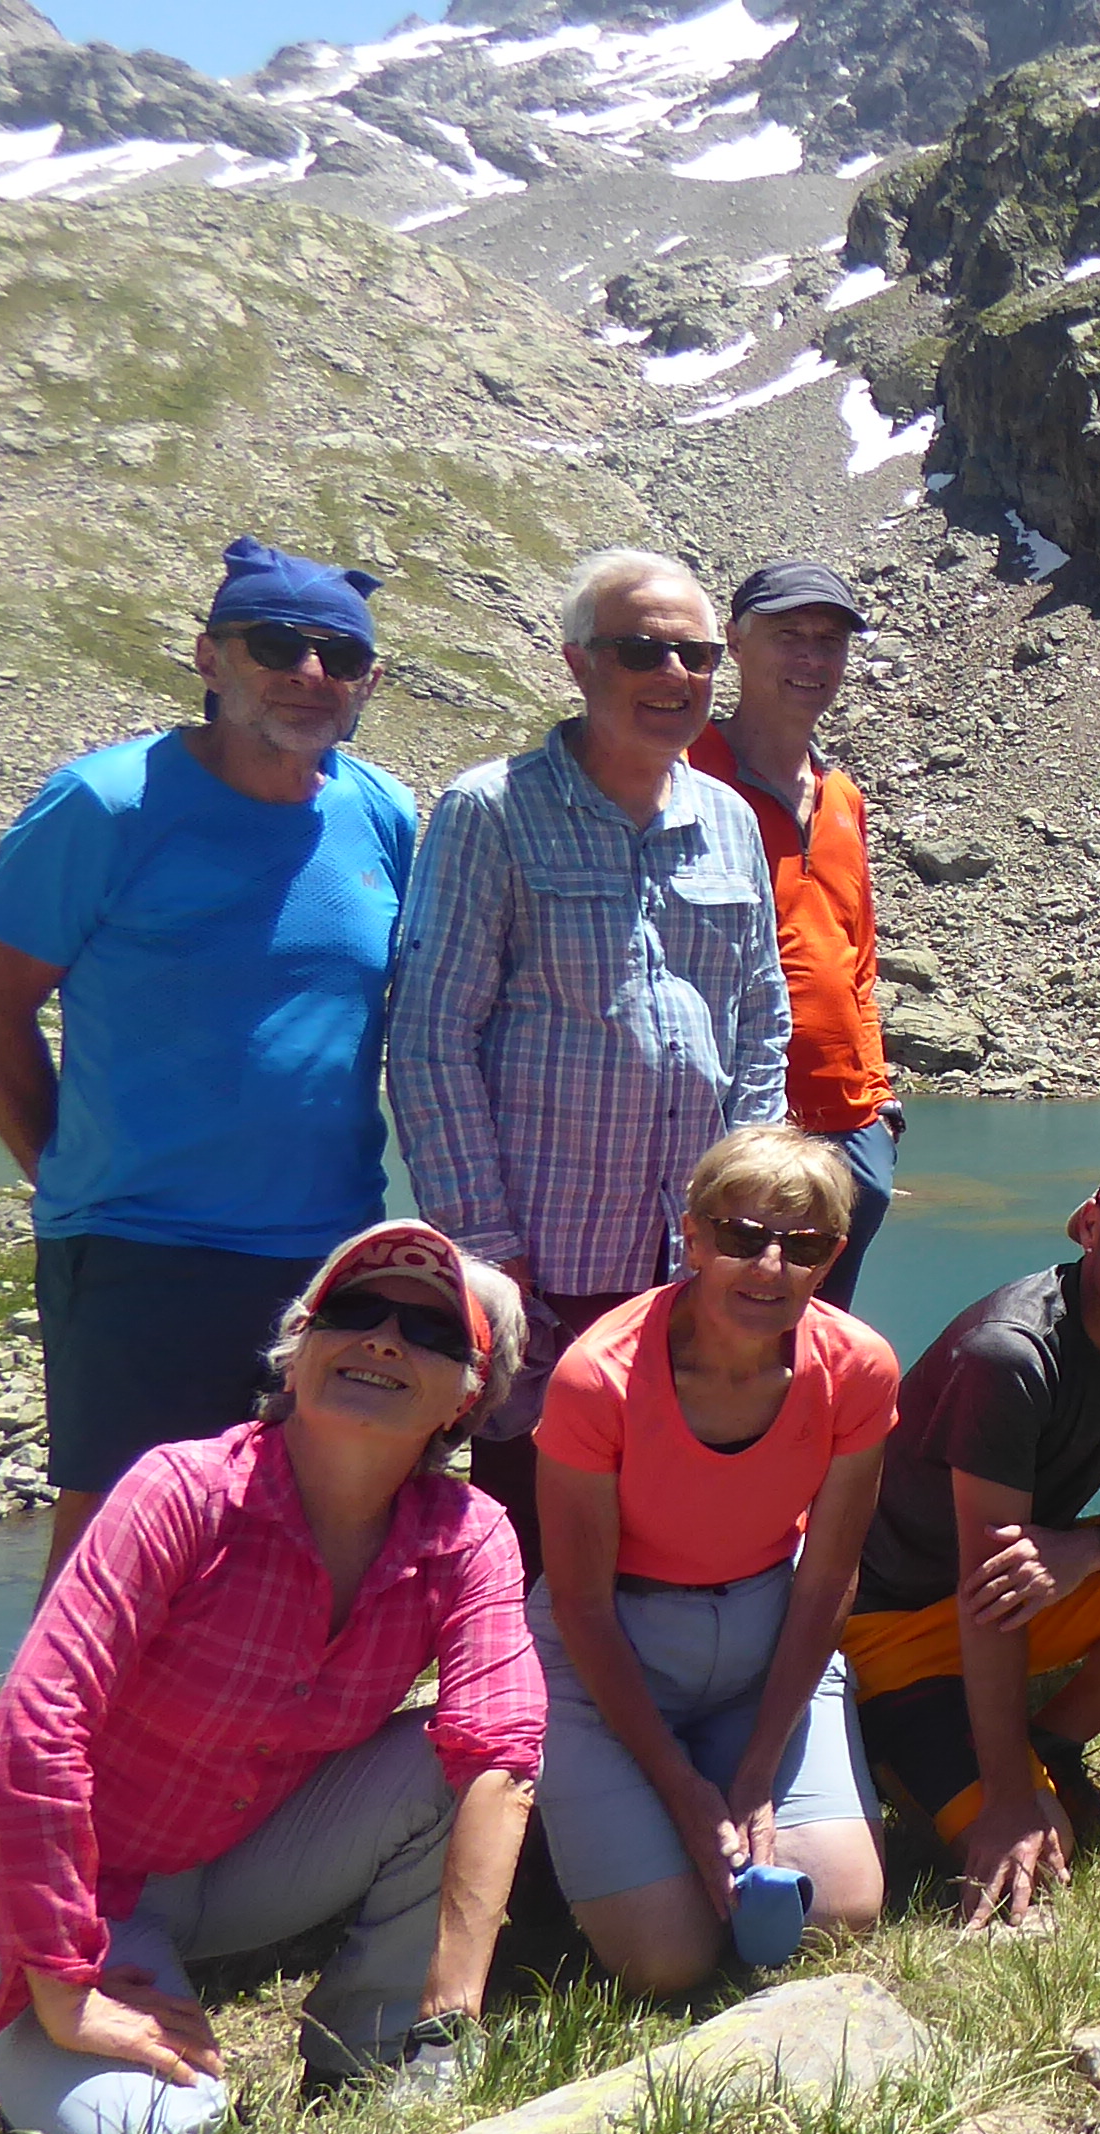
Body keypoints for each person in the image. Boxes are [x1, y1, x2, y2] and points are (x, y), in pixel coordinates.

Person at [0, 1222, 535, 2134]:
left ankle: (370, 2060)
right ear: (298, 1347)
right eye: (355, 1311)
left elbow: (501, 1755)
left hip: (224, 1863)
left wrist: (448, 2023)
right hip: (27, 1883)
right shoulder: (182, 1492)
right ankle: (60, 2029)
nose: (383, 1341)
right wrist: (66, 1990)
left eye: (431, 1331)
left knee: (457, 1765)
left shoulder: (470, 1534)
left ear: (468, 1398)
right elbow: (35, 1729)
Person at [0, 538, 421, 1584]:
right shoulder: (107, 803)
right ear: (210, 657)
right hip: (142, 1245)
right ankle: (62, 1705)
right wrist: (66, 1175)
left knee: (296, 1548)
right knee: (116, 1551)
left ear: (369, 682)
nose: (310, 673)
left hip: (327, 1253)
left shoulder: (381, 811)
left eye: (340, 656)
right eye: (276, 645)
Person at [391, 548, 790, 1560]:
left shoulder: (730, 821)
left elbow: (761, 1020)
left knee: (675, 1532)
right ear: (578, 662)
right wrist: (488, 1249)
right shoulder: (490, 810)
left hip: (690, 1261)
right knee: (533, 1537)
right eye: (641, 651)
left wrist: (745, 1220)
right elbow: (432, 1038)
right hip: (546, 1263)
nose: (674, 676)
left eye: (697, 655)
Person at [840, 1124, 1100, 1926]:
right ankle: (901, 1743)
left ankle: (1048, 1743)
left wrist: (1091, 1549)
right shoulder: (1011, 1355)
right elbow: (989, 1589)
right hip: (892, 1628)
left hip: (1029, 1587)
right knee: (1041, 1844)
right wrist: (1007, 1800)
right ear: (1090, 1226)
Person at [529, 1127, 896, 1991]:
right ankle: (578, 1818)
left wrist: (758, 1769)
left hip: (764, 1641)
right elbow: (580, 1602)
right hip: (610, 1648)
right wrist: (681, 1787)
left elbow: (828, 1576)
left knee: (837, 1915)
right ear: (691, 1238)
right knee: (667, 1959)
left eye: (803, 1247)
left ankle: (674, 1803)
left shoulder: (859, 1368)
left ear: (831, 1257)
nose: (769, 1267)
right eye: (740, 1237)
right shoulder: (596, 1376)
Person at [687, 561, 903, 1309]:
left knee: (817, 1345)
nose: (812, 658)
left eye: (829, 641)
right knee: (725, 1337)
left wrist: (879, 1102)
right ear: (735, 643)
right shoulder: (685, 776)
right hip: (738, 1126)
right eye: (789, 636)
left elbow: (858, 957)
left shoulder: (842, 795)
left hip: (851, 1127)